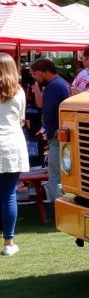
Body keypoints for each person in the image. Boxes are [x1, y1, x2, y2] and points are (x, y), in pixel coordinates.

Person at [29, 58, 70, 212]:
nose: (35, 79)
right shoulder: (59, 84)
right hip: (59, 136)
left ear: (40, 72)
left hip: (58, 138)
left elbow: (47, 109)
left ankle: (59, 210)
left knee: (56, 176)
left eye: (35, 75)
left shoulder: (54, 87)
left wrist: (48, 128)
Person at [0, 54, 29, 257]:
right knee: (9, 195)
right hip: (11, 145)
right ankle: (9, 243)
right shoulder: (19, 92)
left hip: (8, 143)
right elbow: (20, 119)